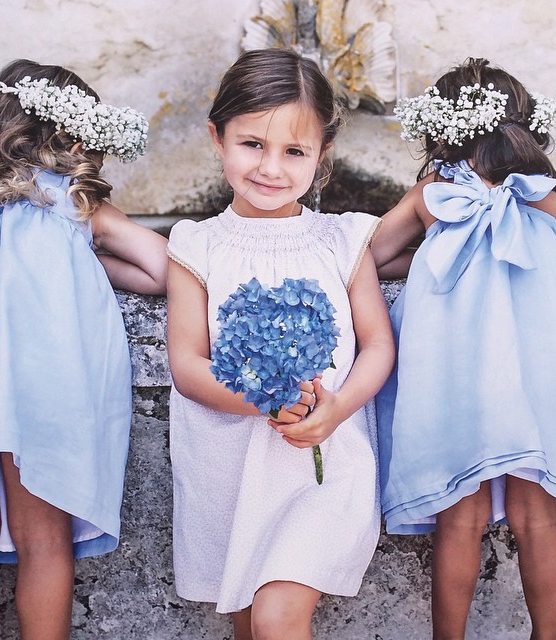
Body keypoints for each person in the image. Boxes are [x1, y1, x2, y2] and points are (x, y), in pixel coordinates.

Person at [166, 48, 395, 640]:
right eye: (252, 144)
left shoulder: (342, 239)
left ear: (322, 155)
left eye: (295, 150)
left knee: (274, 620)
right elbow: (188, 364)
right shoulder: (196, 245)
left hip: (323, 463)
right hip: (230, 472)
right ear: (217, 137)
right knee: (249, 625)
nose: (271, 167)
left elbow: (377, 346)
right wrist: (261, 401)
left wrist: (338, 407)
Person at [0, 59, 167, 639]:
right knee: (44, 541)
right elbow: (162, 270)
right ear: (68, 135)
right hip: (43, 395)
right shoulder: (71, 203)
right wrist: (90, 255)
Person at [372, 57, 556, 639]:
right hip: (537, 374)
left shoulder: (434, 197)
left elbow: (371, 257)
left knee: (458, 517)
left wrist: (439, 250)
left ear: (440, 129)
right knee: (537, 517)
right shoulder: (552, 200)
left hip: (457, 374)